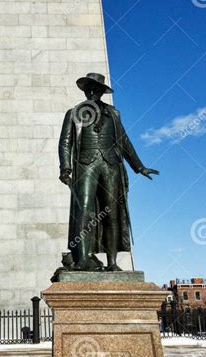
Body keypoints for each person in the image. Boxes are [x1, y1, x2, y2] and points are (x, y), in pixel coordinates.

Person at [59, 73, 159, 271]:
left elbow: (123, 141)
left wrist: (139, 166)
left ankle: (112, 263)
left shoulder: (113, 113)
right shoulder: (74, 113)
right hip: (85, 164)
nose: (91, 91)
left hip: (111, 165)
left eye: (95, 88)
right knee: (84, 210)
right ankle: (82, 260)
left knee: (111, 213)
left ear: (101, 91)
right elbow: (66, 141)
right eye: (88, 87)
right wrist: (65, 168)